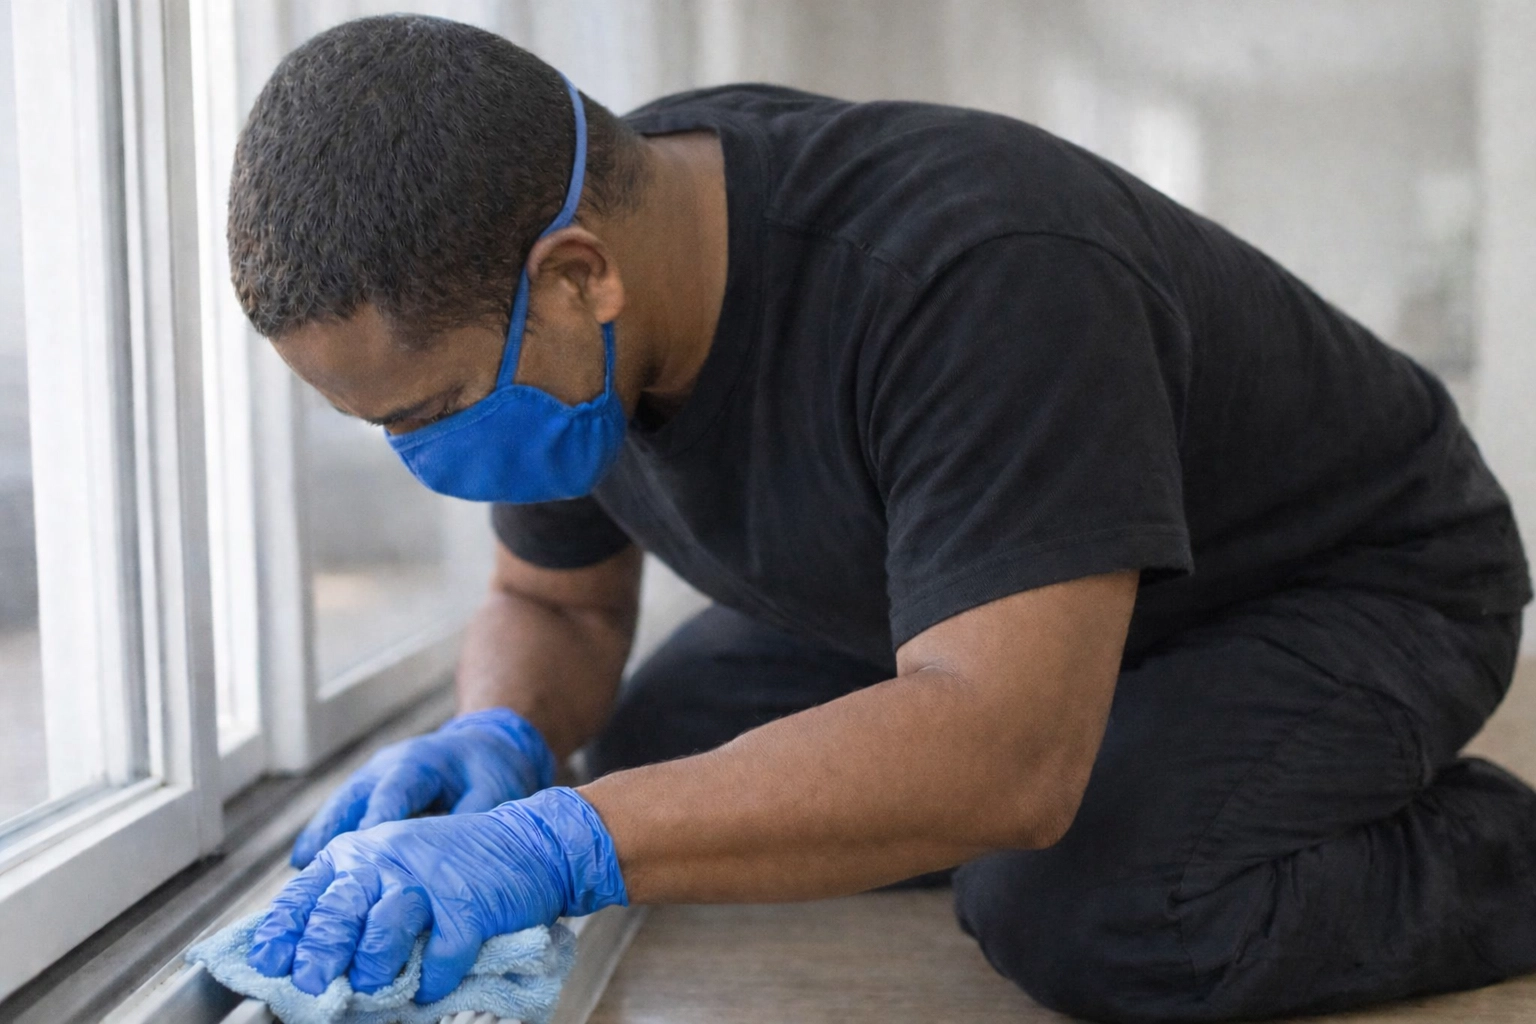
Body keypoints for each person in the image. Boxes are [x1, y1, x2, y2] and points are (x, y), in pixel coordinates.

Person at [231, 14, 1535, 1022]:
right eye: (384, 424)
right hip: (1008, 584)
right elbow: (554, 601)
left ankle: (1492, 849)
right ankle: (1102, 733)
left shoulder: (975, 274)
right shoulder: (572, 271)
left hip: (1344, 587)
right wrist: (501, 736)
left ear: (579, 278)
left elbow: (1007, 756)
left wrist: (563, 846)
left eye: (436, 407)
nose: (421, 454)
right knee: (656, 744)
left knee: (1076, 904)